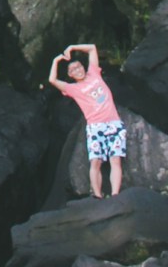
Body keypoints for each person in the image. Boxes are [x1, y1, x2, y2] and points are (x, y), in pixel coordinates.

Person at [48, 43, 126, 197]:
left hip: (113, 122)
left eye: (78, 67)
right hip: (95, 127)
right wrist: (56, 61)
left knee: (115, 160)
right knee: (95, 162)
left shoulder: (94, 74)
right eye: (73, 70)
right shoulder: (72, 89)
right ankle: (97, 195)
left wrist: (72, 48)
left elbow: (92, 48)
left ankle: (116, 194)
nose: (77, 70)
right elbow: (52, 80)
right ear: (70, 75)